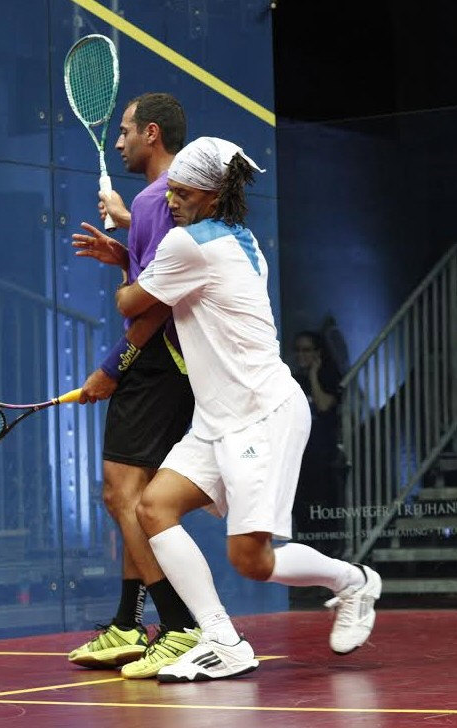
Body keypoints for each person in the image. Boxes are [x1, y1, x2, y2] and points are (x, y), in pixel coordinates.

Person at [112, 137, 381, 682]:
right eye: (171, 191)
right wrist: (132, 239)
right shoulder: (240, 236)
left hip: (262, 414)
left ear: (212, 195)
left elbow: (130, 303)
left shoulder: (188, 246)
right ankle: (221, 639)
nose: (171, 201)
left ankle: (353, 582)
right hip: (217, 419)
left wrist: (124, 255)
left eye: (183, 193)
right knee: (154, 507)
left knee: (251, 561)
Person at [67, 93, 198, 679]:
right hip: (177, 365)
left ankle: (179, 625)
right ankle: (127, 622)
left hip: (154, 361)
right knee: (133, 495)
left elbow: (154, 304)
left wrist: (111, 367)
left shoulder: (155, 198)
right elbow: (158, 276)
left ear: (152, 134)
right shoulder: (167, 199)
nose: (118, 142)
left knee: (122, 495)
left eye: (125, 131)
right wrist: (125, 248)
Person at [292, 331, 343, 552]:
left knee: (324, 509)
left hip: (324, 455)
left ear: (318, 353)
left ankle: (329, 552)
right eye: (298, 350)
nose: (301, 355)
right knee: (302, 512)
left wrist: (313, 374)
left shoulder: (329, 378)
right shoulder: (293, 380)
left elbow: (323, 405)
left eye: (306, 350)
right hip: (300, 456)